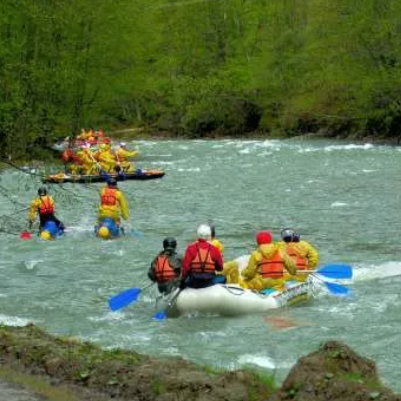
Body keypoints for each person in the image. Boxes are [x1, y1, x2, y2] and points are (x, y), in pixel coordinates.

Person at [180, 224, 224, 289]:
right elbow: (220, 268)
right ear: (209, 236)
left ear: (198, 235)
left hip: (194, 281)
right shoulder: (215, 249)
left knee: (186, 279)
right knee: (223, 278)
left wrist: (183, 280)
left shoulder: (190, 248)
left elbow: (186, 268)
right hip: (209, 281)